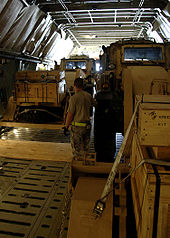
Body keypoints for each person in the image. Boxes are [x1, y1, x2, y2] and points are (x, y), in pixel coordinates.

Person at [63, 77, 96, 160]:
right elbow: (96, 104)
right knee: (85, 148)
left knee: (77, 150)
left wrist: (66, 126)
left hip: (78, 128)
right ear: (83, 86)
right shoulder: (88, 96)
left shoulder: (74, 98)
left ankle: (79, 167)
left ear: (74, 86)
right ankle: (87, 166)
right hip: (87, 127)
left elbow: (70, 114)